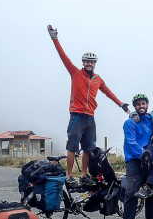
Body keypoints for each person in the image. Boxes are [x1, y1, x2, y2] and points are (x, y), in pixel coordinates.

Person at [47, 24, 129, 187]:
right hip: (77, 115)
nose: (89, 63)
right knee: (72, 147)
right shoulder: (75, 73)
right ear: (83, 62)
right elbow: (63, 57)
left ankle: (83, 175)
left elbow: (108, 92)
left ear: (95, 63)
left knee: (88, 149)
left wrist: (121, 104)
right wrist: (54, 38)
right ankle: (70, 176)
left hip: (90, 117)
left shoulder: (98, 79)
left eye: (92, 62)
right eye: (87, 61)